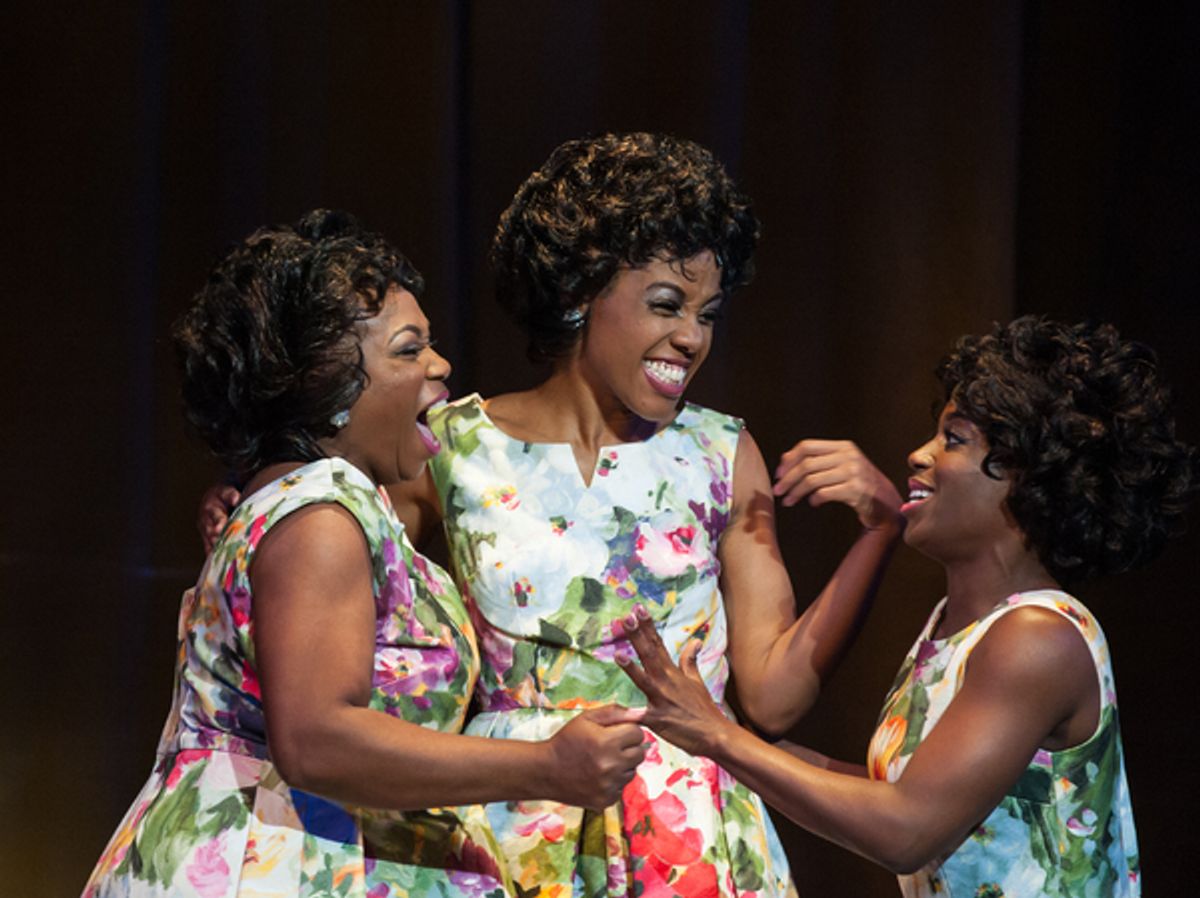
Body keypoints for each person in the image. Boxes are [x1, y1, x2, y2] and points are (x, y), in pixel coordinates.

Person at [84, 210, 647, 898]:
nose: (440, 366)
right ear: (332, 388)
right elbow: (317, 738)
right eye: (409, 350)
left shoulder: (317, 504)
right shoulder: (321, 513)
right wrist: (545, 766)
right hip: (278, 867)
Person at [412, 132, 905, 895]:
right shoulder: (453, 446)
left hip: (687, 837)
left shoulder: (720, 451)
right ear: (580, 292)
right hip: (510, 828)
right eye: (668, 305)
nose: (692, 337)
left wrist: (881, 532)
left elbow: (772, 695)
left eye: (708, 313)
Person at [617, 316, 1197, 897]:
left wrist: (720, 739)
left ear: (1029, 477)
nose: (919, 456)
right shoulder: (954, 629)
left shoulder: (1038, 638)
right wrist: (724, 737)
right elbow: (887, 794)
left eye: (954, 439)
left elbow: (906, 828)